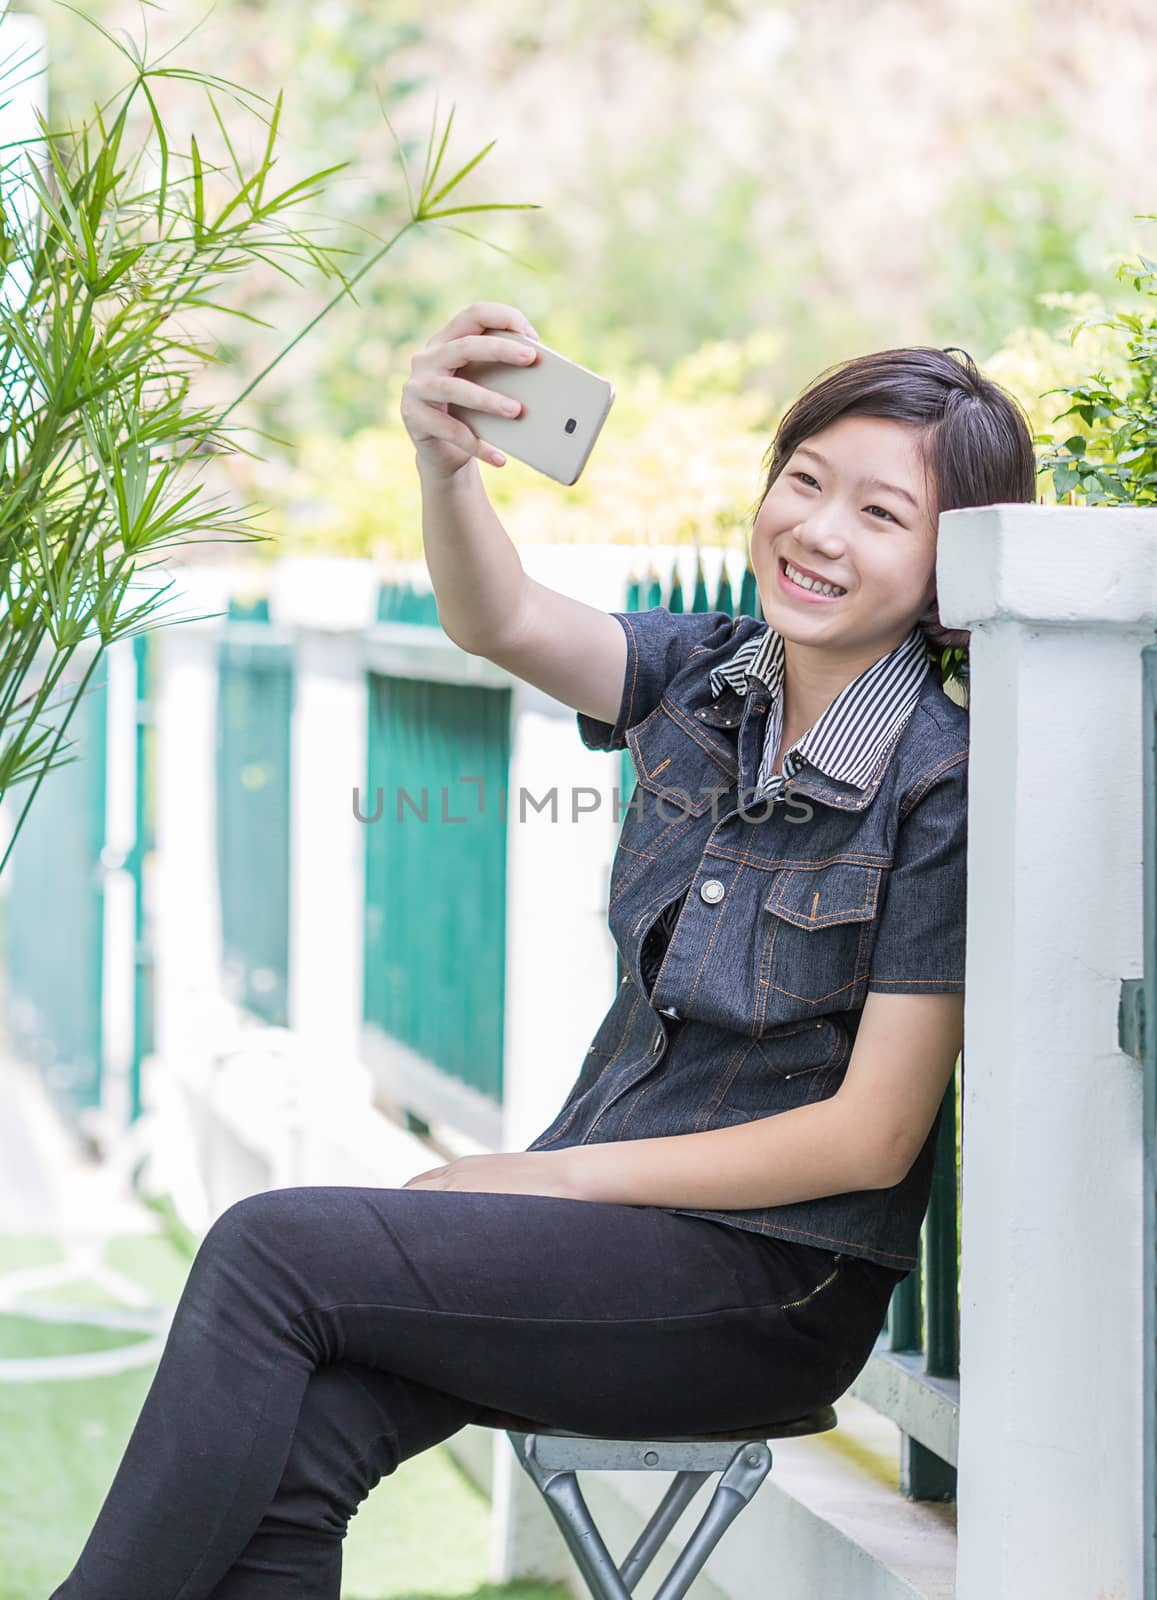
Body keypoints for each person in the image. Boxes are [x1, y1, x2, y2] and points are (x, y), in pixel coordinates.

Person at [50, 301, 1038, 1600]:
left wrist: (550, 1182)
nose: (814, 530)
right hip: (614, 1243)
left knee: (270, 1250)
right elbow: (498, 616)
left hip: (765, 1288)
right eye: (802, 481)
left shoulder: (938, 788)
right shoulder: (706, 679)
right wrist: (443, 463)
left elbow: (866, 1139)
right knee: (313, 1432)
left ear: (947, 566)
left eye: (877, 514)